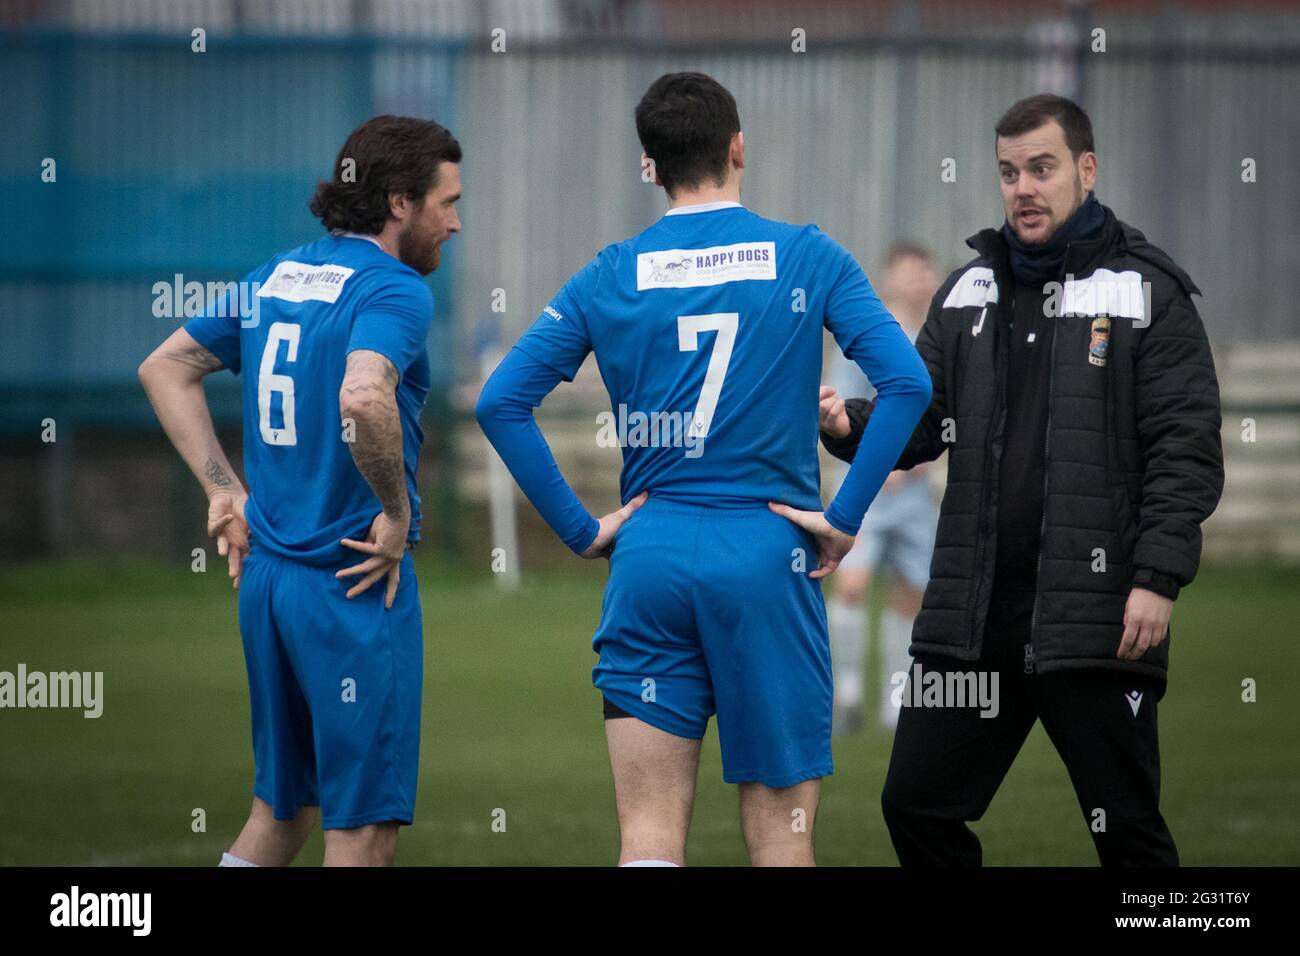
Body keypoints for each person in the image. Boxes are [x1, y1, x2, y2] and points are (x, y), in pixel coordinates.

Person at [476, 72, 930, 866]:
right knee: (780, 843)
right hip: (766, 554)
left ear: (648, 165)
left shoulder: (609, 273)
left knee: (648, 838)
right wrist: (846, 516)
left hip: (649, 556)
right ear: (738, 148)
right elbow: (908, 384)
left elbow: (501, 402)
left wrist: (582, 531)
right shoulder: (807, 256)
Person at [820, 93, 1224, 866]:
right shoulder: (968, 293)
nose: (1022, 188)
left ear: (1086, 169)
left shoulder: (1148, 292)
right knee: (915, 806)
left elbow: (1186, 445)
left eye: (1041, 168)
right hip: (972, 621)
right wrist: (851, 428)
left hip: (1095, 619)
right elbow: (927, 416)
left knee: (1129, 834)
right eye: (1008, 172)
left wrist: (1157, 577)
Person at [138, 115, 462, 866]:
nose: (454, 221)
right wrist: (396, 512)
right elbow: (364, 399)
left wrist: (224, 491)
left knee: (282, 814)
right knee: (362, 830)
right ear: (399, 202)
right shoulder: (396, 290)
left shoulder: (276, 276)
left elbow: (165, 367)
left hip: (269, 585)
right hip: (349, 584)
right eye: (445, 201)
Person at [821, 242, 941, 733]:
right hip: (865, 488)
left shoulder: (936, 339)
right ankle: (846, 693)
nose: (917, 282)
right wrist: (880, 464)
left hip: (915, 492)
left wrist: (914, 465)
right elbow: (839, 406)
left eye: (923, 272)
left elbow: (944, 416)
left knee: (910, 592)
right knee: (851, 583)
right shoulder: (866, 335)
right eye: (908, 273)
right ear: (890, 279)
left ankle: (897, 701)